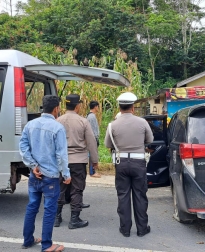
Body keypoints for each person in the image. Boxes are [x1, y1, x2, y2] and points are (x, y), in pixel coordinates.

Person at [19, 95, 71, 252]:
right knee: (49, 210)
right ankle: (47, 245)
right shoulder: (57, 128)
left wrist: (33, 165)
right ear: (56, 109)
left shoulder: (30, 125)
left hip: (35, 175)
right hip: (51, 177)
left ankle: (28, 240)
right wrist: (66, 174)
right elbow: (61, 155)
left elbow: (23, 147)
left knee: (32, 207)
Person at [104, 92, 154, 238]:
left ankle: (125, 229)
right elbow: (149, 139)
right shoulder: (142, 122)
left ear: (119, 108)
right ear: (133, 107)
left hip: (121, 163)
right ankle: (142, 229)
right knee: (140, 195)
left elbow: (108, 143)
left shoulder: (112, 124)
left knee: (123, 196)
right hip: (139, 163)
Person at [54, 94, 99, 229]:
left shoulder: (57, 121)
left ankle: (56, 218)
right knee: (77, 189)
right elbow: (91, 142)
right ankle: (74, 219)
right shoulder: (83, 121)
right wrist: (94, 161)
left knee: (59, 189)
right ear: (77, 106)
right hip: (78, 160)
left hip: (61, 161)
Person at [86, 100, 101, 178]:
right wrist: (95, 139)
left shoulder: (90, 116)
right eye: (98, 106)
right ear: (95, 107)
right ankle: (92, 172)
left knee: (92, 155)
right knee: (92, 155)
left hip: (93, 138)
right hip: (93, 139)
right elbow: (92, 129)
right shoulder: (91, 117)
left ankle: (93, 171)